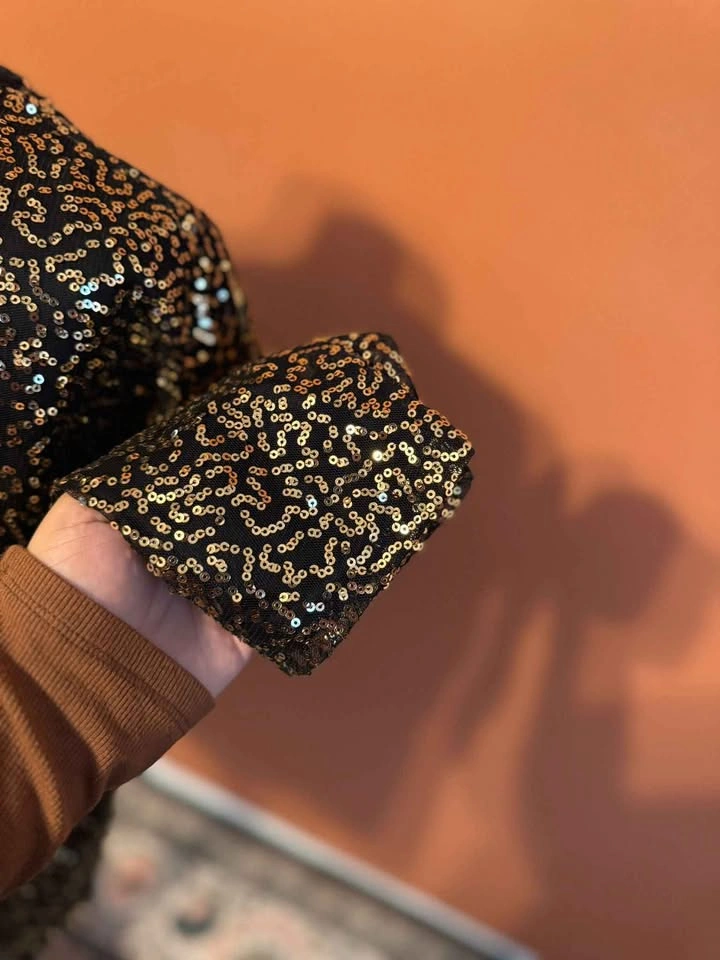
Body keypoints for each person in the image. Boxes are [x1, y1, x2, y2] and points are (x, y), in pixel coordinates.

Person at [0, 67, 473, 954]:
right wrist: (50, 707)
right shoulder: (119, 242)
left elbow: (207, 445)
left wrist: (51, 700)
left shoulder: (113, 240)